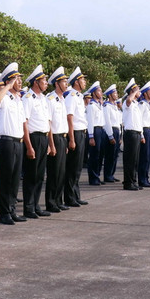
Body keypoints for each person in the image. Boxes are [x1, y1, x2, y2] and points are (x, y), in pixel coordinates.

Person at [0, 63, 29, 224]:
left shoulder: (18, 101)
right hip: (6, 142)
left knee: (14, 180)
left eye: (20, 80)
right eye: (16, 80)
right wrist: (7, 85)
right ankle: (4, 213)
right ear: (9, 82)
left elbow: (23, 123)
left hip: (18, 142)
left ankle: (12, 209)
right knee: (5, 179)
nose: (19, 82)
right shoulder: (5, 98)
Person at [22, 64, 53, 218]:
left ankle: (36, 205)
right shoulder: (28, 98)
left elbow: (47, 122)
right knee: (31, 175)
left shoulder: (43, 99)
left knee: (40, 175)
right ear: (36, 82)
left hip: (43, 138)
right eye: (44, 81)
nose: (46, 83)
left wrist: (48, 142)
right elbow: (25, 123)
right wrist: (28, 146)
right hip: (33, 138)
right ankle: (28, 208)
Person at [64, 67, 89, 206]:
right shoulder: (72, 97)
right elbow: (69, 118)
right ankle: (69, 197)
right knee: (72, 167)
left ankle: (75, 195)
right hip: (75, 134)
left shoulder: (79, 96)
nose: (85, 82)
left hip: (81, 132)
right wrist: (72, 139)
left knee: (78, 167)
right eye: (83, 79)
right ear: (76, 82)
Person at [45, 67, 69, 211]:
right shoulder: (51, 99)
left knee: (61, 172)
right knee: (54, 172)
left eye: (66, 82)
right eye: (64, 82)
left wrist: (65, 142)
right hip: (54, 137)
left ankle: (59, 200)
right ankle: (51, 202)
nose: (66, 84)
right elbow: (49, 124)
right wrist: (51, 144)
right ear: (56, 83)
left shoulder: (62, 99)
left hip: (63, 138)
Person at [121, 79, 143, 190]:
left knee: (135, 160)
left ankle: (133, 181)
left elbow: (139, 121)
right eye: (138, 90)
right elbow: (129, 99)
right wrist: (134, 91)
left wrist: (142, 135)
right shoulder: (127, 102)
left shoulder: (136, 104)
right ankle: (128, 183)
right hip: (130, 134)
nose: (140, 92)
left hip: (137, 133)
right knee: (130, 159)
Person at [85, 80, 106, 185]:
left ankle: (97, 175)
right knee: (94, 155)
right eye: (99, 91)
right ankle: (93, 177)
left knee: (100, 154)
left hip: (101, 129)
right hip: (95, 130)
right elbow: (90, 122)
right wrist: (91, 136)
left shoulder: (99, 105)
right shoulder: (91, 105)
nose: (101, 93)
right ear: (93, 93)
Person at [137, 81, 150, 187]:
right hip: (144, 130)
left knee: (148, 156)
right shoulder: (142, 104)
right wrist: (142, 135)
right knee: (144, 157)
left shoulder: (149, 105)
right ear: (145, 93)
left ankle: (146, 178)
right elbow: (139, 121)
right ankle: (142, 179)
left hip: (149, 130)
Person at [102, 84, 121, 183]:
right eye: (114, 93)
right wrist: (110, 135)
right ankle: (107, 175)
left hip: (117, 130)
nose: (116, 94)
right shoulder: (106, 106)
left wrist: (120, 135)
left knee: (115, 155)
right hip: (111, 131)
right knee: (110, 155)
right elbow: (107, 122)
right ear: (110, 95)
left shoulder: (115, 106)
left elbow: (118, 122)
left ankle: (111, 174)